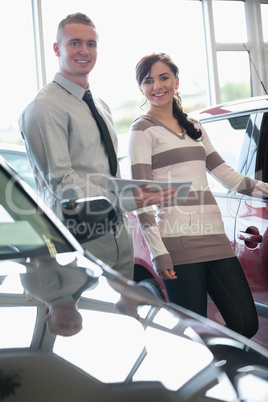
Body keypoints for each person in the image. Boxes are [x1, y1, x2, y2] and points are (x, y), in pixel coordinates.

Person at [19, 13, 175, 280]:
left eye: (91, 44)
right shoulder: (45, 107)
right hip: (78, 242)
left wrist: (137, 191)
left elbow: (106, 172)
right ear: (57, 48)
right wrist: (126, 198)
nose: (84, 51)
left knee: (123, 317)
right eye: (75, 43)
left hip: (117, 236)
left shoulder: (100, 105)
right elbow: (60, 182)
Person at [129, 52, 268, 339]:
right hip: (177, 242)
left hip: (215, 238)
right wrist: (159, 253)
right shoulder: (142, 129)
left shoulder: (194, 126)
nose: (157, 85)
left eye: (164, 77)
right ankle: (200, 380)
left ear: (176, 81)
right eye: (148, 80)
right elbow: (142, 197)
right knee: (191, 333)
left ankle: (219, 369)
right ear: (141, 88)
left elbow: (228, 175)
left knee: (246, 323)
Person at [20, 258, 99, 336]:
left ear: (48, 318)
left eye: (63, 325)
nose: (71, 322)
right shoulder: (90, 288)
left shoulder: (39, 288)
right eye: (77, 325)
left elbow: (44, 251)